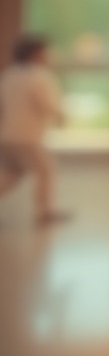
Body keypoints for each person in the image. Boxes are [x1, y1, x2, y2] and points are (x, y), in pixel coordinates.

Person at [0, 35, 71, 225]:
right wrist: (63, 116)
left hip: (7, 135)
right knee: (46, 170)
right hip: (27, 137)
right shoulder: (40, 76)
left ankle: (45, 211)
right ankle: (45, 212)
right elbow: (48, 104)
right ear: (36, 54)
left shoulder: (9, 74)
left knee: (11, 174)